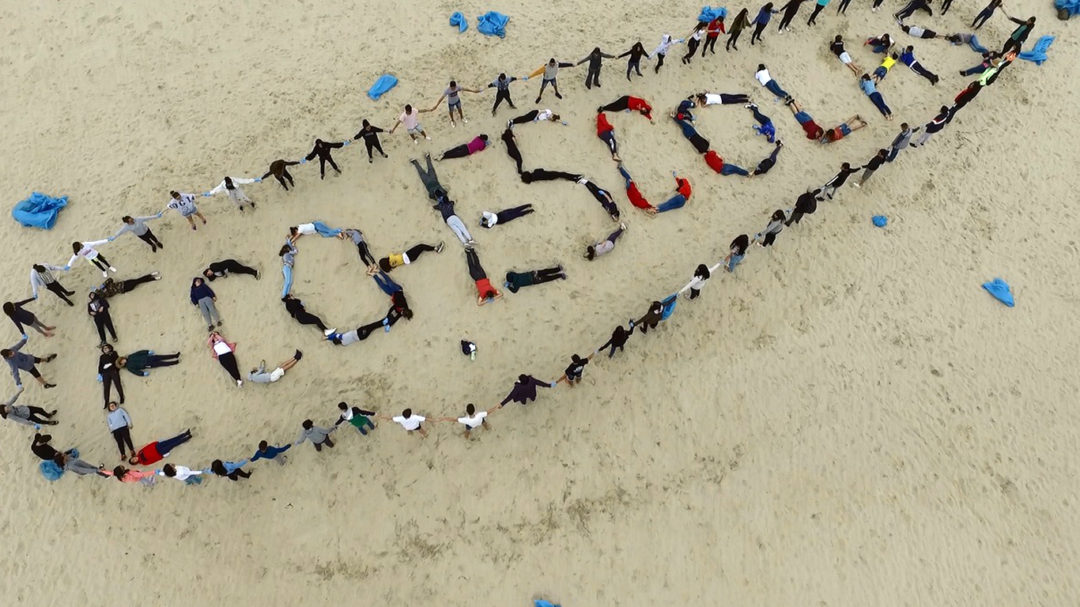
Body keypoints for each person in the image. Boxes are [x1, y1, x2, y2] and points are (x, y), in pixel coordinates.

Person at [129, 429, 193, 466]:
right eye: (134, 461)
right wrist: (161, 457)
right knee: (173, 444)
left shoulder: (140, 452)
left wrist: (155, 443)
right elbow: (153, 460)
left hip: (157, 445)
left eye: (133, 458)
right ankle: (186, 438)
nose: (135, 459)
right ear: (135, 462)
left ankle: (185, 434)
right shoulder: (144, 462)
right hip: (160, 452)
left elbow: (147, 447)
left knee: (171, 440)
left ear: (133, 457)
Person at [377, 241, 443, 274]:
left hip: (409, 259)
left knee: (421, 248)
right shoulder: (391, 259)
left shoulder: (392, 266)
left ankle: (435, 248)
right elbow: (391, 254)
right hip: (407, 255)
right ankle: (436, 248)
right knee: (421, 246)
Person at [95, 273, 161, 299]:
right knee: (138, 281)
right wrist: (103, 286)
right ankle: (152, 276)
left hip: (123, 283)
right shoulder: (106, 295)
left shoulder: (104, 287)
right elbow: (110, 281)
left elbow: (110, 279)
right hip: (124, 288)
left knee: (138, 280)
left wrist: (103, 285)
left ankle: (152, 277)